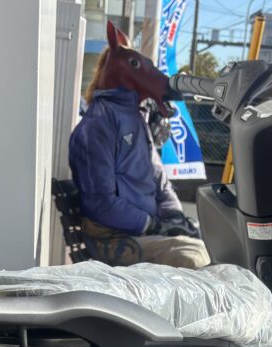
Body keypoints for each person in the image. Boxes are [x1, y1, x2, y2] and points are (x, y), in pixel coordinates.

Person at [69, 22, 210, 270]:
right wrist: (151, 224)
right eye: (135, 65)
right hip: (113, 236)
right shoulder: (97, 126)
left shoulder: (137, 120)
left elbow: (160, 182)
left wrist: (174, 217)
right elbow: (100, 203)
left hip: (143, 231)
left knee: (214, 245)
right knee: (192, 258)